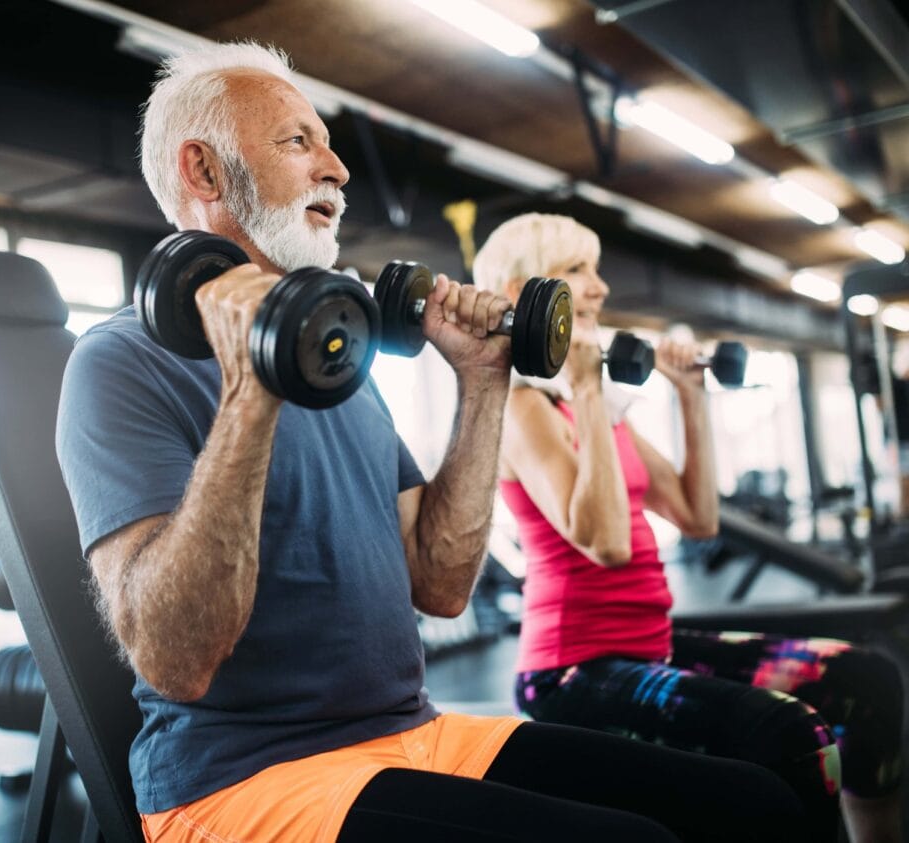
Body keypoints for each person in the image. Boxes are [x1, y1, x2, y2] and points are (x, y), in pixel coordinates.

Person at [56, 42, 819, 843]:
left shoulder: (338, 366)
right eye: (297, 141)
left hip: (414, 735)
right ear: (204, 172)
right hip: (241, 782)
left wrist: (484, 381)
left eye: (325, 140)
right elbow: (175, 660)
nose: (338, 168)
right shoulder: (118, 363)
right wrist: (251, 390)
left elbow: (442, 582)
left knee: (751, 803)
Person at [473, 212, 906, 843]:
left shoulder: (600, 408)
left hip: (651, 645)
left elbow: (697, 517)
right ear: (522, 294)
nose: (599, 288)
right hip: (573, 673)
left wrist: (689, 394)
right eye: (576, 272)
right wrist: (589, 392)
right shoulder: (522, 406)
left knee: (866, 680)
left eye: (595, 271)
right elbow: (607, 540)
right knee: (792, 734)